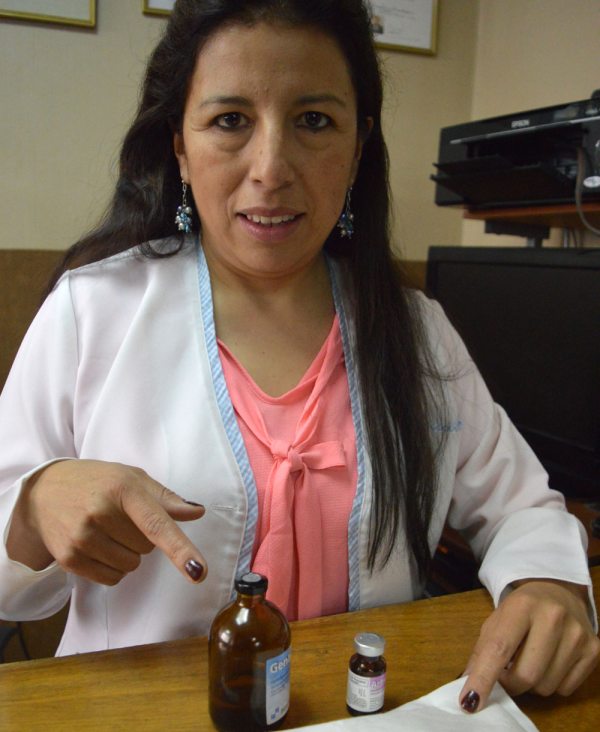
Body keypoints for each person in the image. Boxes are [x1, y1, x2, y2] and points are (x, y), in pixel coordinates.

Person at [0, 0, 597, 715]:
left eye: (313, 120)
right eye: (230, 120)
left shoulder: (416, 332)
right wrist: (33, 506)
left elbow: (521, 507)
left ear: (358, 145)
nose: (271, 168)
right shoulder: (91, 311)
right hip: (141, 713)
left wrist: (546, 583)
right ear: (179, 145)